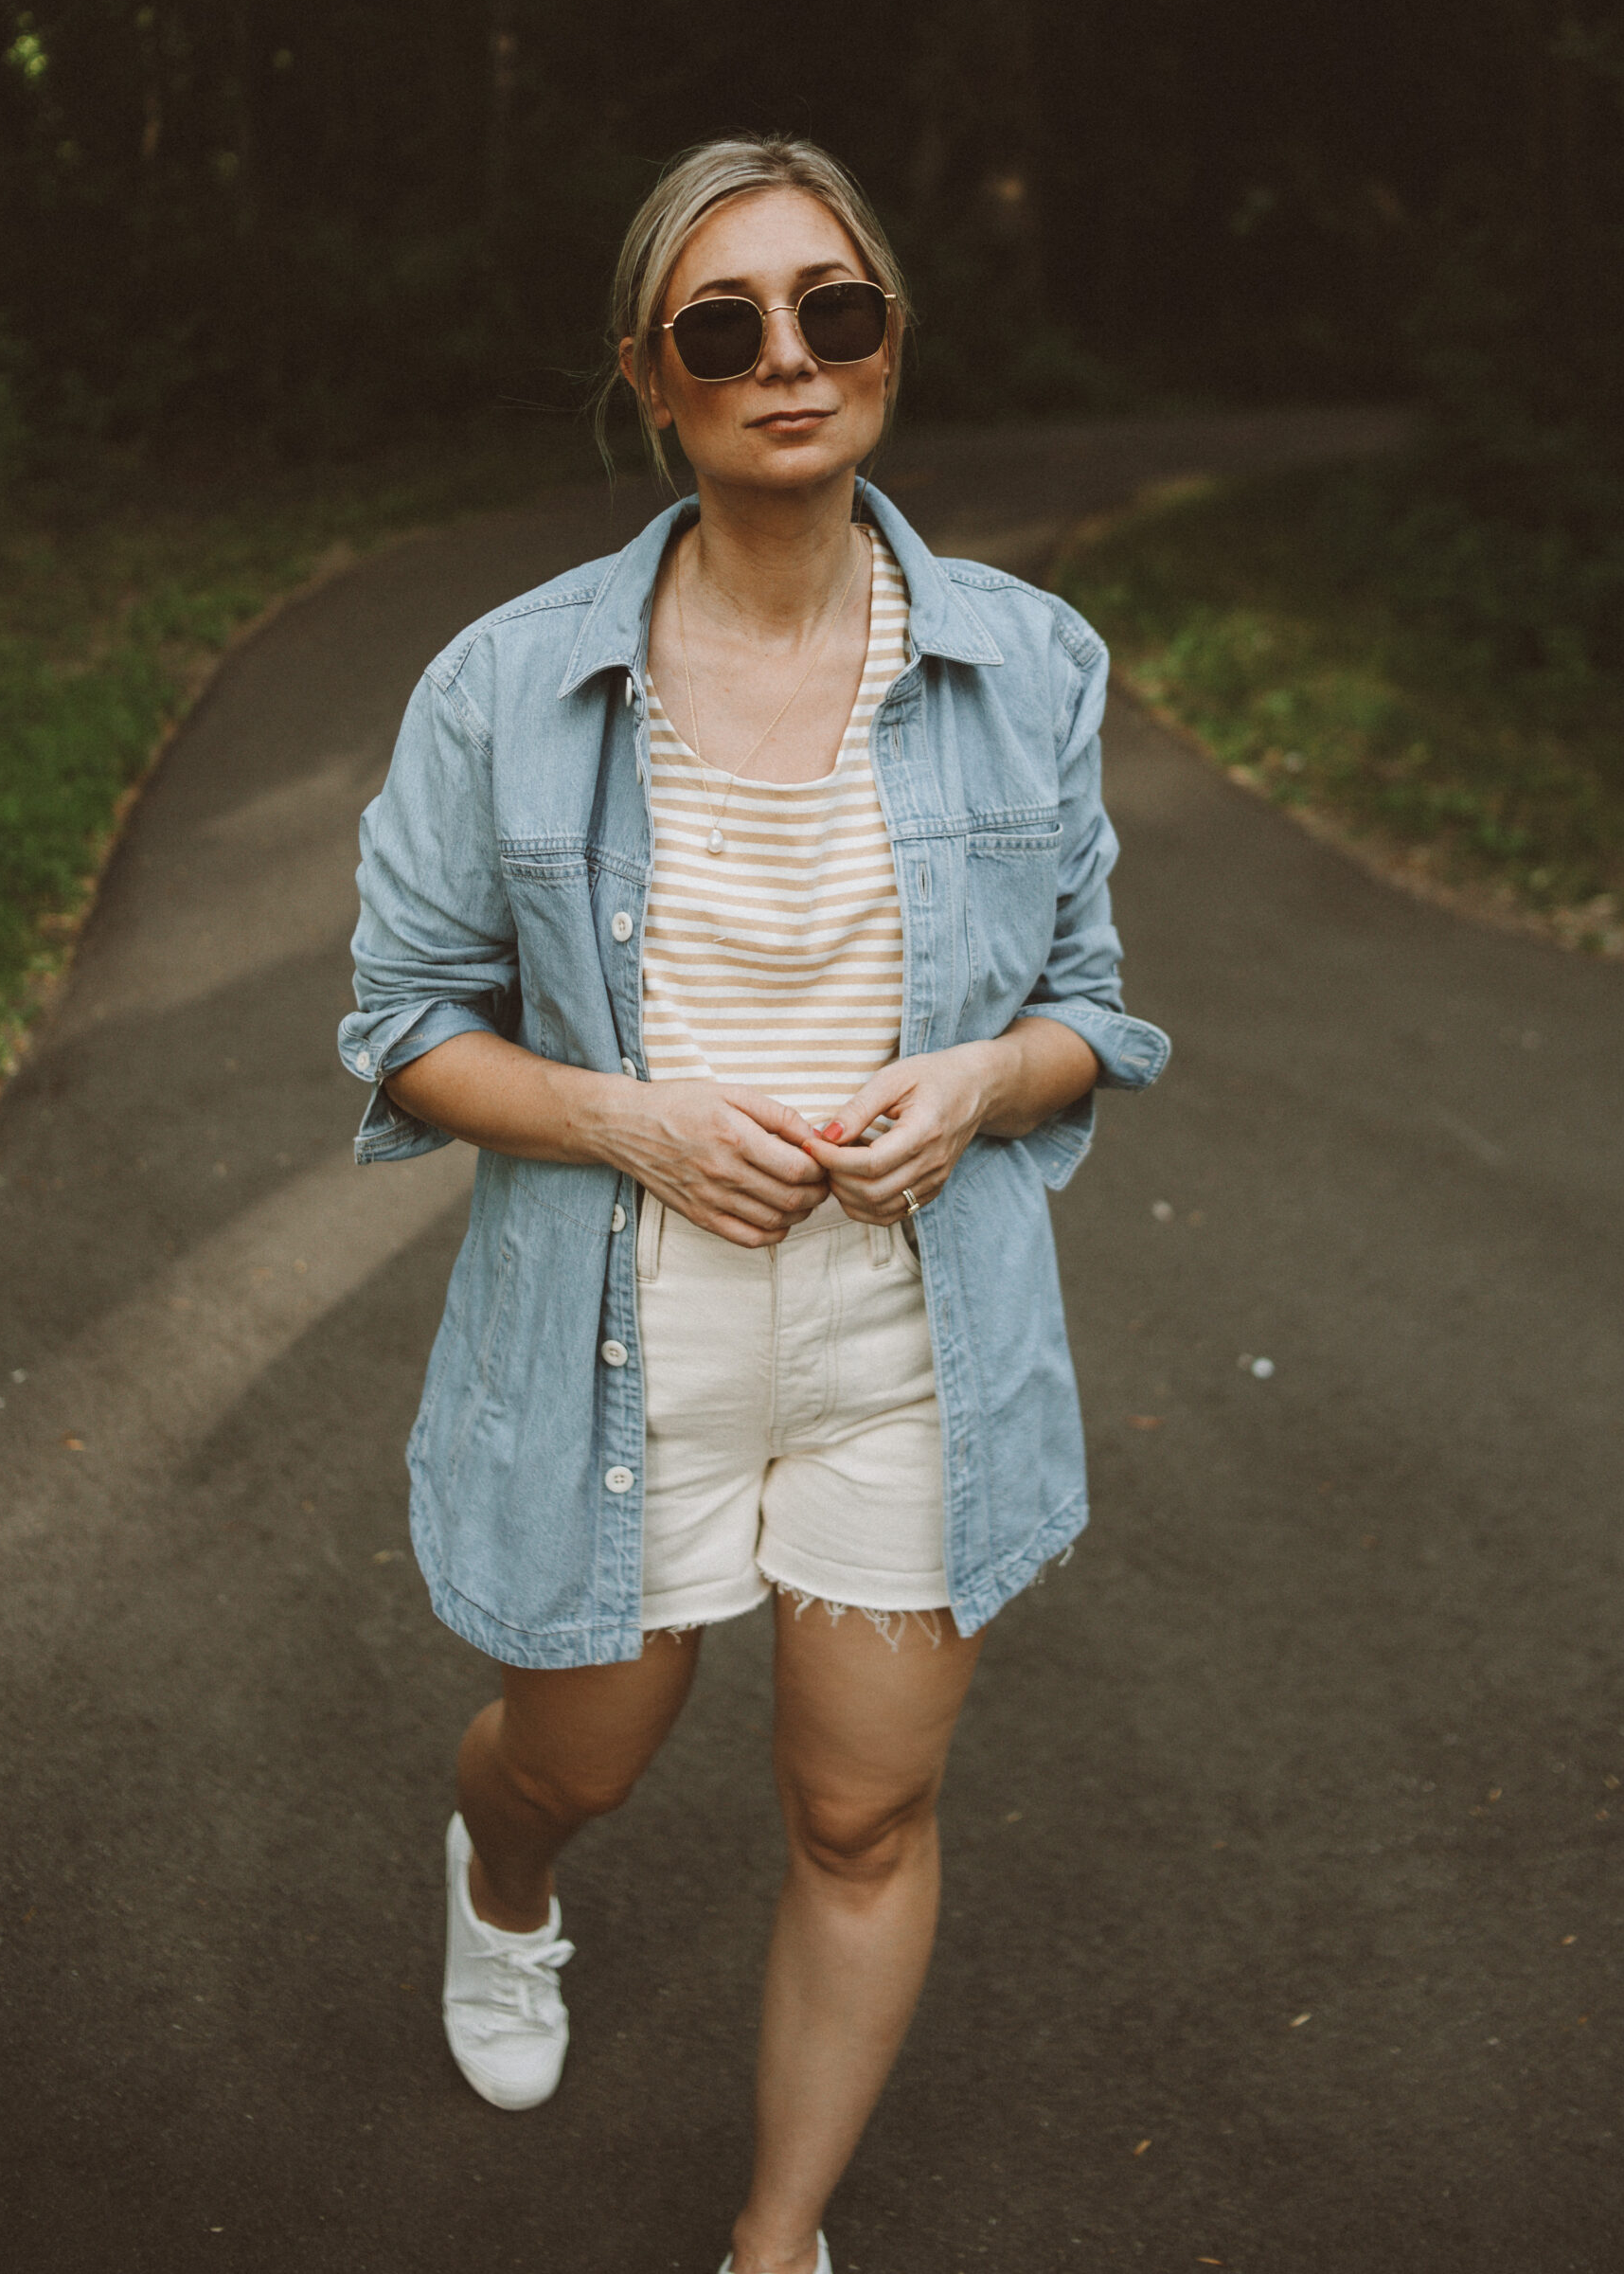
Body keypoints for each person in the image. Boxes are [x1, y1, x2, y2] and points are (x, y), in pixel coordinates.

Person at [339, 134, 1169, 2274]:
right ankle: (500, 1886)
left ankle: (775, 2239)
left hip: (913, 1338)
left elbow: (1090, 1008)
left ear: (890, 336)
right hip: (627, 1328)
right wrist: (629, 1121)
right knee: (575, 1757)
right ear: (654, 376)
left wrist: (983, 1078)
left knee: (859, 1807)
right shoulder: (506, 683)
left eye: (837, 309)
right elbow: (402, 1026)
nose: (788, 357)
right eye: (728, 325)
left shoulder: (1030, 661)